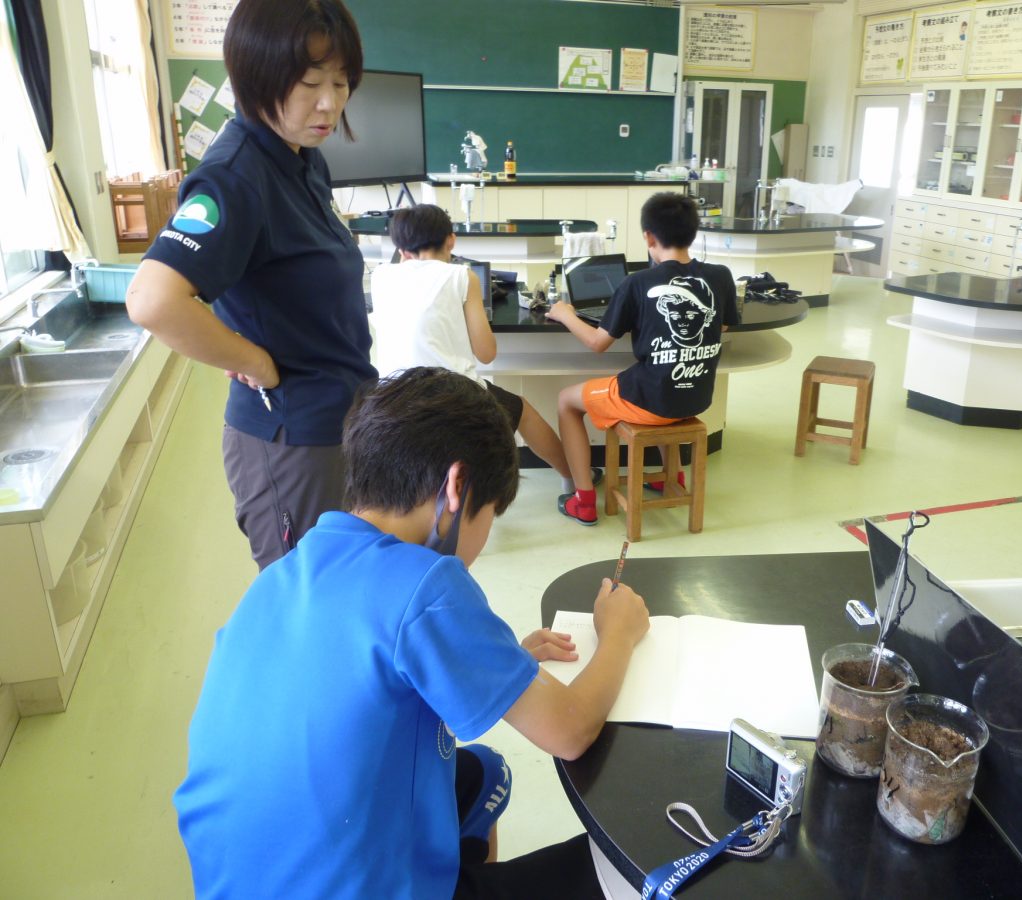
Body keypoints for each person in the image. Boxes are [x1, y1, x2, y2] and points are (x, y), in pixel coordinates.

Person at [174, 367, 650, 899]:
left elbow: (357, 693)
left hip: (236, 882)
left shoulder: (286, 572)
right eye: (488, 513)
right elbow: (572, 731)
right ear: (456, 486)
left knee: (484, 772)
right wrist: (618, 635)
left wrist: (501, 662)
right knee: (629, 870)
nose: (480, 541)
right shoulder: (426, 582)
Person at [126, 0, 376, 570]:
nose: (329, 103)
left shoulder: (302, 155)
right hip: (290, 436)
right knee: (303, 600)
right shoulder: (235, 176)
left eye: (341, 83)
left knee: (340, 587)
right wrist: (254, 362)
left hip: (337, 416)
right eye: (311, 83)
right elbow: (152, 299)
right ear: (257, 76)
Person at [546, 192, 738, 525]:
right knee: (665, 385)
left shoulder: (637, 283)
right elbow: (720, 324)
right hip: (696, 395)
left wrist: (564, 314)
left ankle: (584, 500)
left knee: (566, 401)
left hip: (651, 399)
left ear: (649, 236)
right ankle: (671, 478)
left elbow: (597, 342)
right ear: (693, 233)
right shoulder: (721, 276)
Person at [371, 204, 580, 490]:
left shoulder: (380, 276)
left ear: (402, 249)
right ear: (451, 240)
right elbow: (486, 353)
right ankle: (575, 480)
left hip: (393, 396)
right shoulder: (461, 276)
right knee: (522, 410)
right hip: (449, 396)